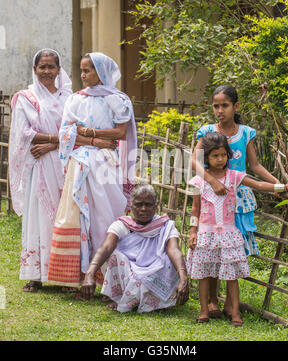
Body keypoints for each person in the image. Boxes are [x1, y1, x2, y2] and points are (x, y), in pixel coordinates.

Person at [47, 52, 137, 289]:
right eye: (82, 70)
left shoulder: (117, 100)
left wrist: (86, 132)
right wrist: (94, 139)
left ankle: (108, 277)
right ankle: (76, 276)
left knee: (104, 215)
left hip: (105, 165)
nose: (84, 75)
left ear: (102, 72)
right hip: (81, 163)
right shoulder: (76, 99)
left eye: (88, 70)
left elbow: (119, 133)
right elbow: (66, 133)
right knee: (78, 216)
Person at [192, 84, 282, 318]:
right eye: (216, 106)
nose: (220, 110)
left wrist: (278, 185)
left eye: (225, 105)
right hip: (212, 196)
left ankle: (231, 304)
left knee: (232, 249)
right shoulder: (207, 131)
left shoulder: (246, 133)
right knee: (211, 246)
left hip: (238, 199)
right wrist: (212, 182)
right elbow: (194, 162)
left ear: (235, 106)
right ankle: (212, 299)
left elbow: (255, 166)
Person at [188, 132, 288, 326]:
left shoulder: (234, 176)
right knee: (203, 274)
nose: (220, 159)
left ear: (228, 154)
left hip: (229, 234)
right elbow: (195, 209)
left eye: (223, 155)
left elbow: (259, 184)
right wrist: (193, 231)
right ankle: (203, 311)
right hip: (205, 234)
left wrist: (282, 187)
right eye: (215, 156)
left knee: (232, 276)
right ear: (206, 158)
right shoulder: (198, 181)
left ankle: (235, 313)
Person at [9, 48, 72, 292]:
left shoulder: (69, 97)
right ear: (35, 69)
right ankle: (35, 275)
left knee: (64, 217)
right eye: (42, 67)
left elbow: (77, 130)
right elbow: (24, 134)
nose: (47, 71)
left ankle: (64, 275)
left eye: (51, 66)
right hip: (39, 167)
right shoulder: (26, 97)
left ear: (59, 69)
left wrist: (52, 144)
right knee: (39, 217)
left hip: (66, 165)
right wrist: (55, 140)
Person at [77, 184, 189, 313]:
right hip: (129, 272)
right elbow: (106, 247)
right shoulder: (121, 225)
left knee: (170, 260)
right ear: (131, 206)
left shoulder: (165, 226)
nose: (143, 209)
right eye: (138, 204)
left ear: (156, 206)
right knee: (115, 255)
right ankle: (122, 299)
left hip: (154, 271)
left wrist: (183, 278)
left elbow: (174, 250)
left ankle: (156, 303)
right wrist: (90, 274)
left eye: (148, 204)